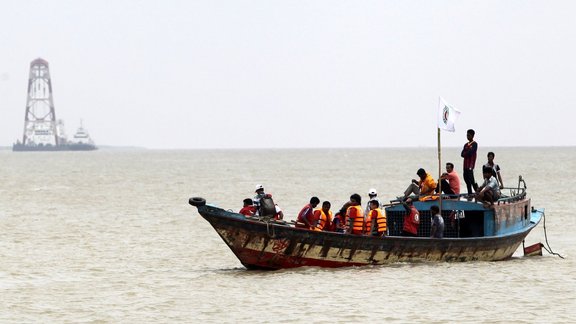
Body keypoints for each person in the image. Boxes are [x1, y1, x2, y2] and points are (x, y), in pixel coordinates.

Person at [461, 129, 478, 196]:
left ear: (472, 135)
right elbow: (462, 154)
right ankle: (469, 193)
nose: (467, 136)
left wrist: (466, 153)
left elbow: (471, 152)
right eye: (467, 135)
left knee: (471, 179)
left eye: (469, 135)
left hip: (470, 165)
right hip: (465, 165)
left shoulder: (474, 144)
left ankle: (477, 191)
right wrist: (466, 153)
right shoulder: (465, 145)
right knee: (466, 178)